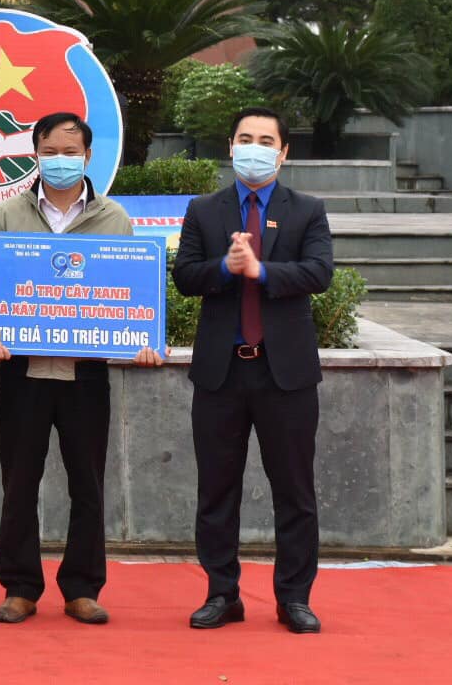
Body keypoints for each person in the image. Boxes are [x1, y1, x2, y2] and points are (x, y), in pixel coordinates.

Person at [0, 112, 163, 627]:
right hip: (22, 375)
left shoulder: (113, 219)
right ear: (35, 153)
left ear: (88, 156)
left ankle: (82, 588)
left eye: (71, 152)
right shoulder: (7, 215)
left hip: (86, 377)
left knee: (88, 483)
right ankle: (20, 587)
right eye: (50, 152)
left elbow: (131, 295)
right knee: (19, 484)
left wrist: (142, 340)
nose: (60, 161)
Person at [172, 106, 333, 635]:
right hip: (221, 375)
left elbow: (319, 273)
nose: (254, 148)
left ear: (284, 153)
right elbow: (185, 277)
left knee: (295, 492)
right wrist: (225, 266)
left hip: (285, 375)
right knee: (217, 491)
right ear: (230, 146)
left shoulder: (307, 210)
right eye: (245, 138)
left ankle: (294, 598)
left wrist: (262, 271)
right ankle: (222, 594)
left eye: (266, 141)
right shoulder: (205, 209)